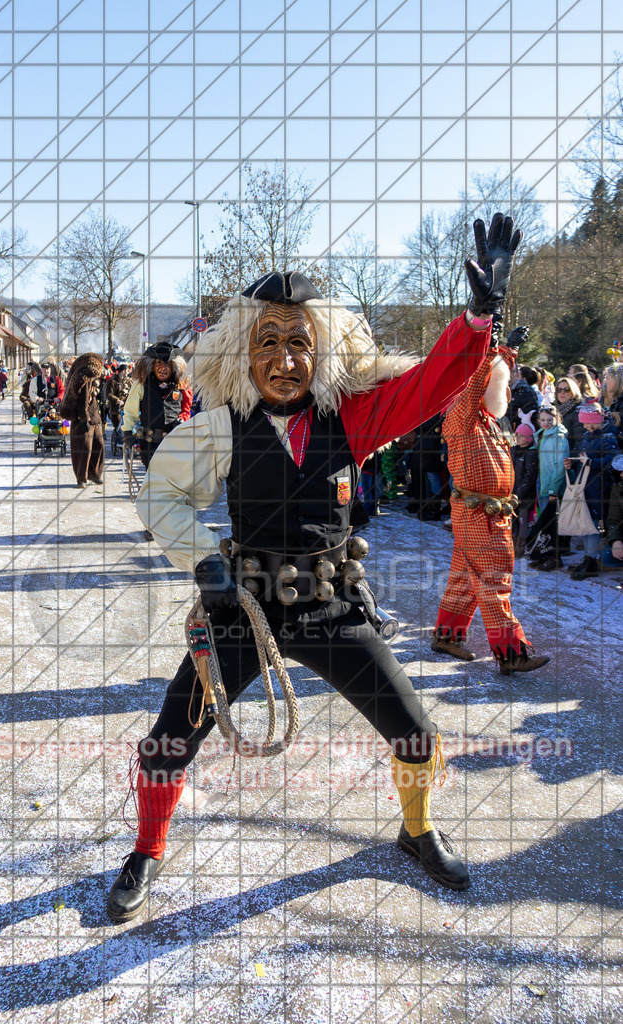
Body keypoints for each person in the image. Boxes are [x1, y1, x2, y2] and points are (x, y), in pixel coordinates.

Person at [105, 214, 523, 922]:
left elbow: (431, 381)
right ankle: (147, 847)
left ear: (320, 352)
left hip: (333, 608)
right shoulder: (217, 428)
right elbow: (160, 493)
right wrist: (205, 565)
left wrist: (478, 317)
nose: (285, 360)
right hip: (244, 610)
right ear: (243, 353)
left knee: (415, 731)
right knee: (170, 736)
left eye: (299, 343)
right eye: (268, 343)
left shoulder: (352, 421)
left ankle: (416, 829)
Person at [431, 326, 550, 673]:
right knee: (495, 579)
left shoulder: (487, 422)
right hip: (478, 511)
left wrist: (504, 355)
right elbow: (473, 381)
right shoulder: (462, 414)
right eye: (504, 387)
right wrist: (504, 350)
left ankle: (447, 636)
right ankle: (512, 654)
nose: (509, 395)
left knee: (466, 577)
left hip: (489, 512)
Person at [566, 403, 619, 580]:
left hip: (600, 488)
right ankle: (588, 558)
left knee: (594, 525)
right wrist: (573, 463)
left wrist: (590, 463)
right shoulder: (589, 436)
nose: (587, 427)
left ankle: (592, 560)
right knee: (588, 524)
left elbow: (612, 462)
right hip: (587, 486)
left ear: (599, 420)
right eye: (585, 424)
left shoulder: (608, 437)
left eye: (591, 423)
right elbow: (583, 456)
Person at [122, 344, 193, 468]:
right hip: (149, 444)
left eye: (167, 364)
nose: (162, 368)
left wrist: (182, 420)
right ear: (152, 366)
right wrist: (128, 432)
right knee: (153, 482)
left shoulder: (181, 386)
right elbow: (130, 410)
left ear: (173, 367)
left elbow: (186, 409)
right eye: (158, 363)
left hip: (175, 443)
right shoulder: (141, 385)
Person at [60, 352, 105, 488]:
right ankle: (81, 478)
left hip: (94, 417)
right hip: (83, 418)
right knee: (84, 449)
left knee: (99, 446)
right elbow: (83, 400)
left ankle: (95, 475)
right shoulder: (86, 379)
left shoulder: (89, 378)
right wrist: (84, 418)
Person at [510, 422, 538, 558]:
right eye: (517, 435)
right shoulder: (513, 450)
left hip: (525, 494)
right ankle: (511, 543)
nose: (518, 438)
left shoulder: (531, 453)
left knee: (522, 520)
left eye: (521, 436)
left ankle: (520, 546)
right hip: (512, 491)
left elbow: (530, 476)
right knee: (512, 518)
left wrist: (520, 494)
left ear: (528, 438)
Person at [554, 376, 584, 455]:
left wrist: (571, 460)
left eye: (567, 390)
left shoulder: (577, 412)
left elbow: (579, 442)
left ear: (574, 391)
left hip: (567, 457)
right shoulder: (553, 411)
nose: (562, 393)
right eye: (559, 390)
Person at [508, 360, 539, 431]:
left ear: (517, 374)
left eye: (511, 371)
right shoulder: (499, 391)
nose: (508, 374)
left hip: (518, 437)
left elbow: (532, 419)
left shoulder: (526, 392)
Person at [106, 364, 131, 431]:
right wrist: (118, 400)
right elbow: (109, 394)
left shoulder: (128, 381)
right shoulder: (112, 381)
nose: (128, 372)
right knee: (119, 429)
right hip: (116, 410)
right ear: (123, 371)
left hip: (127, 410)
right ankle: (116, 439)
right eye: (127, 371)